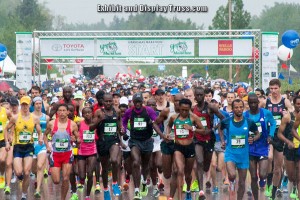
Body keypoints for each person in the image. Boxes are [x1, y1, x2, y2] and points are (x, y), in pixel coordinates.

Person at [121, 92, 165, 199]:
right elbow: (124, 120)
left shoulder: (148, 110)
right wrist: (123, 128)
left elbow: (157, 122)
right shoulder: (129, 111)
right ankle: (137, 190)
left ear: (142, 102)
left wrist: (159, 131)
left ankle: (144, 181)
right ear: (133, 102)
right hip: (135, 141)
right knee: (136, 162)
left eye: (139, 102)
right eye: (135, 102)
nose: (137, 104)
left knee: (146, 165)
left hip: (147, 141)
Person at [219, 99, 260, 200]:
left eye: (241, 107)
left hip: (243, 155)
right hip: (231, 154)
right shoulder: (227, 121)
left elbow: (258, 133)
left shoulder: (249, 122)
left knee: (242, 183)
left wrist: (253, 139)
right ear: (232, 109)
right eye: (236, 107)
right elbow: (220, 128)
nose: (239, 109)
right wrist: (222, 141)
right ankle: (231, 180)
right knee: (232, 175)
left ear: (244, 108)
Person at [4, 96, 43, 200]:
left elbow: (39, 131)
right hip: (18, 147)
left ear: (29, 105)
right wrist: (7, 143)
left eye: (27, 104)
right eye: (23, 104)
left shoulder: (34, 118)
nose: (25, 106)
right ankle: (20, 178)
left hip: (29, 147)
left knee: (26, 172)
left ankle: (24, 194)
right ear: (21, 105)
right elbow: (6, 129)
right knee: (18, 172)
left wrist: (40, 138)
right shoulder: (15, 117)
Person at [166, 98, 205, 200]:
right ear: (179, 108)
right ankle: (179, 197)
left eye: (186, 110)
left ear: (189, 109)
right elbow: (169, 126)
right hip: (178, 147)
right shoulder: (174, 117)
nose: (184, 112)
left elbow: (203, 130)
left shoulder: (193, 118)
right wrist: (168, 133)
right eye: (182, 109)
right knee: (179, 171)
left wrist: (192, 128)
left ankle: (188, 189)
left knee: (188, 175)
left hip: (189, 147)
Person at [262, 79, 293, 199]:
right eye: (271, 88)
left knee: (278, 168)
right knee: (269, 158)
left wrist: (287, 115)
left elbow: (292, 117)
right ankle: (268, 184)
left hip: (280, 135)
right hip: (269, 134)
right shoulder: (266, 101)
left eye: (275, 88)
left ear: (279, 88)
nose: (273, 91)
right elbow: (257, 112)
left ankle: (274, 191)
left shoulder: (285, 101)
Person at [192, 87, 225, 198]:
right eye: (198, 95)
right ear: (195, 96)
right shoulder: (193, 109)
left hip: (209, 139)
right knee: (199, 161)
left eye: (202, 95)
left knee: (206, 166)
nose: (200, 97)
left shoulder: (210, 107)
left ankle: (204, 175)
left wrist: (215, 128)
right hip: (197, 138)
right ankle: (201, 191)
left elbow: (223, 118)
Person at [44, 104, 80, 200]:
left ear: (68, 112)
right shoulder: (51, 123)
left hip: (67, 154)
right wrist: (47, 146)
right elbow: (45, 135)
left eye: (64, 110)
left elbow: (78, 138)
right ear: (57, 112)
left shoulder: (72, 124)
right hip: (55, 154)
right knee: (56, 180)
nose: (62, 112)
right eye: (60, 110)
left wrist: (76, 139)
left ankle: (62, 198)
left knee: (65, 178)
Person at [244, 93, 276, 200]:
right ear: (248, 104)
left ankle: (264, 179)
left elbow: (273, 123)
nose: (253, 105)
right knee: (253, 177)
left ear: (258, 102)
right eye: (251, 103)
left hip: (263, 146)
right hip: (250, 147)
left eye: (255, 102)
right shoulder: (245, 115)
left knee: (262, 174)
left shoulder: (266, 113)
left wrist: (271, 135)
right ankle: (256, 197)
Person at [90, 93, 122, 200]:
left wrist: (121, 129)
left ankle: (114, 183)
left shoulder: (117, 111)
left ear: (112, 101)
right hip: (102, 142)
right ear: (102, 102)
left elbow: (119, 123)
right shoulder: (99, 112)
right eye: (106, 101)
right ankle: (105, 189)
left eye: (110, 101)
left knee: (114, 160)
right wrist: (99, 120)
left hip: (114, 140)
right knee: (104, 168)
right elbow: (90, 128)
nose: (108, 103)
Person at [277, 96, 300, 199]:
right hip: (289, 149)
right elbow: (279, 134)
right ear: (293, 104)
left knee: (299, 175)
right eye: (298, 104)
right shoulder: (288, 117)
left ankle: (297, 192)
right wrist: (288, 142)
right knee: (291, 176)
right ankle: (293, 185)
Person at [31, 97, 50, 198]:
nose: (38, 105)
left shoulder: (46, 117)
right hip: (31, 143)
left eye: (40, 103)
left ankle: (38, 189)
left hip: (41, 144)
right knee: (34, 169)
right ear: (33, 105)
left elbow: (47, 132)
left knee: (39, 166)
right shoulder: (30, 116)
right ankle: (37, 179)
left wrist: (47, 144)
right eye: (36, 103)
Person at [78, 107, 97, 200]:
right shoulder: (79, 124)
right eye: (85, 113)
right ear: (82, 115)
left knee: (89, 174)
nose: (87, 114)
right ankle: (81, 180)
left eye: (89, 112)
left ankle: (87, 195)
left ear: (92, 113)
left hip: (92, 151)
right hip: (81, 151)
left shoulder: (95, 124)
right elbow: (74, 134)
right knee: (81, 175)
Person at [0, 97, 12, 189]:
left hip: (3, 139)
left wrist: (11, 134)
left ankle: (2, 175)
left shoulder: (5, 111)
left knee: (2, 159)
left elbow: (13, 121)